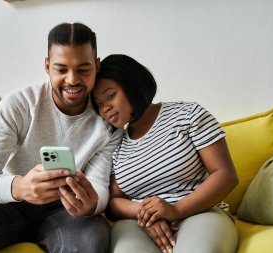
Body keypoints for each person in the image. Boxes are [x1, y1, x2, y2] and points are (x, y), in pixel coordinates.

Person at [0, 23, 122, 253]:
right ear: (47, 66)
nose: (72, 80)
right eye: (61, 69)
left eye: (83, 70)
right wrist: (20, 187)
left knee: (92, 237)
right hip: (9, 204)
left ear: (97, 66)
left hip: (68, 213)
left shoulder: (109, 122)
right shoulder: (20, 104)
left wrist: (91, 205)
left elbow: (99, 187)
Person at [91, 54, 239, 253]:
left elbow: (226, 175)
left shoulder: (188, 115)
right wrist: (146, 213)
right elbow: (113, 202)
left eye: (110, 96)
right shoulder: (116, 144)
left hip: (201, 212)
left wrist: (175, 210)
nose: (105, 108)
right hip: (141, 225)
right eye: (99, 103)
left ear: (132, 85)